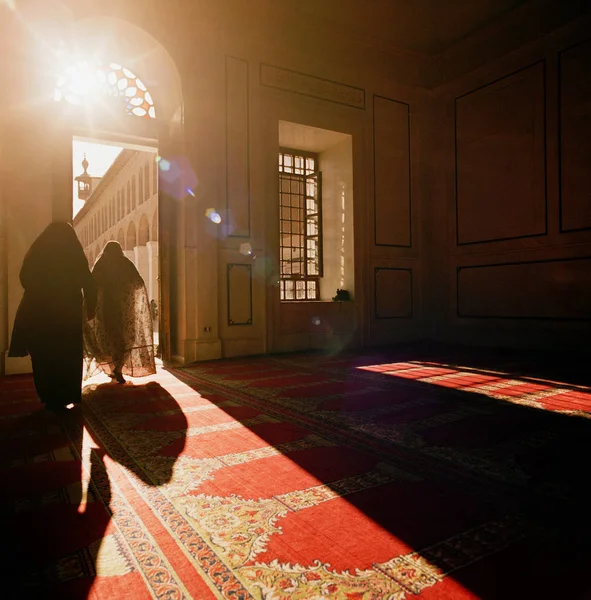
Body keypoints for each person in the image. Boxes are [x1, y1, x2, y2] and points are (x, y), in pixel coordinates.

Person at [9, 221, 97, 411]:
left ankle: (48, 395)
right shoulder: (74, 253)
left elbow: (25, 277)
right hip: (68, 313)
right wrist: (91, 307)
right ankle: (68, 393)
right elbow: (88, 280)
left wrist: (41, 291)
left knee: (44, 354)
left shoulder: (38, 253)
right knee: (68, 354)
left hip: (41, 312)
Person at [84, 241, 155, 383]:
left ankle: (113, 368)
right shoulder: (125, 263)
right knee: (123, 339)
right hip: (124, 310)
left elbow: (92, 285)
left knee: (107, 340)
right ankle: (118, 368)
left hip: (106, 309)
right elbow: (138, 283)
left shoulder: (102, 264)